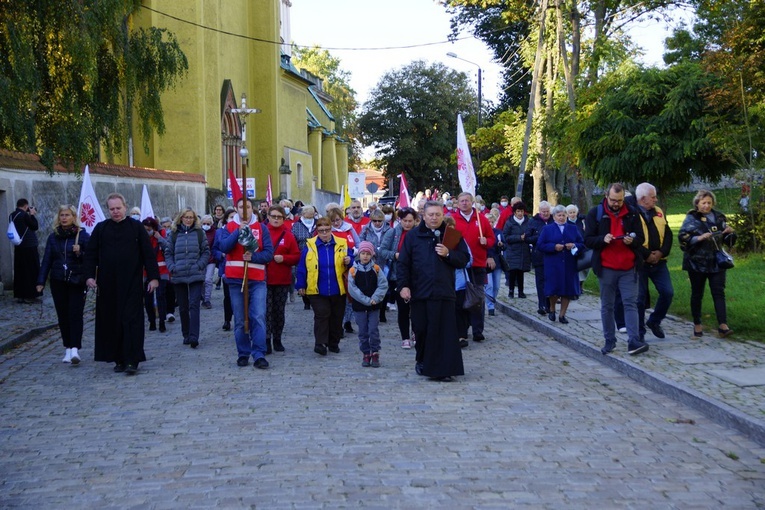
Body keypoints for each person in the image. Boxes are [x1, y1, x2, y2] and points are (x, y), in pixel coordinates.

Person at [83, 193, 160, 375]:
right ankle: (118, 358)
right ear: (108, 210)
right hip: (108, 285)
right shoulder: (101, 229)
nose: (116, 212)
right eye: (112, 209)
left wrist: (153, 277)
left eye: (118, 208)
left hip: (132, 283)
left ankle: (132, 360)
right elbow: (90, 255)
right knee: (112, 321)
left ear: (125, 207)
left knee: (131, 320)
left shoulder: (136, 228)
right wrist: (89, 276)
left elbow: (148, 254)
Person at [398, 201, 470, 381]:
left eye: (438, 214)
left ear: (442, 215)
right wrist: (403, 286)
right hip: (420, 291)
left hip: (444, 291)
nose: (434, 218)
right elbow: (404, 264)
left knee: (443, 332)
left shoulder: (451, 235)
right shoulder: (413, 236)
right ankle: (421, 359)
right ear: (423, 215)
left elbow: (464, 259)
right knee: (421, 329)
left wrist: (448, 254)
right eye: (431, 214)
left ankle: (443, 369)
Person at [584, 183, 649, 356]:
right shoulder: (595, 214)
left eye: (619, 201)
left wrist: (632, 241)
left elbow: (641, 238)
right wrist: (602, 239)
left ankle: (634, 341)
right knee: (607, 306)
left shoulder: (633, 213)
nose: (616, 203)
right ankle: (609, 340)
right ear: (606, 196)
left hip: (629, 267)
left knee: (630, 304)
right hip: (606, 268)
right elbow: (588, 240)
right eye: (613, 200)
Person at [219, 198, 274, 368]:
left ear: (253, 209)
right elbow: (224, 247)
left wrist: (254, 257)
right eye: (241, 207)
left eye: (248, 207)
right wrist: (238, 231)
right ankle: (243, 353)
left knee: (257, 316)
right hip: (235, 280)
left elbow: (269, 254)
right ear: (236, 209)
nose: (245, 210)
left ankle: (259, 354)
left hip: (257, 280)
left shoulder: (261, 228)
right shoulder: (227, 228)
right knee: (240, 320)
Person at [36, 205, 90, 364]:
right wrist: (40, 281)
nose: (64, 218)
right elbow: (47, 260)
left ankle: (75, 349)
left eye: (67, 215)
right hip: (58, 280)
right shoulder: (53, 237)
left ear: (74, 217)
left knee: (75, 314)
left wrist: (80, 252)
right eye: (62, 215)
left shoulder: (83, 235)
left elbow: (91, 259)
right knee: (63, 315)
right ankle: (67, 347)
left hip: (76, 280)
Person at [678, 189, 736, 338]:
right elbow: (683, 238)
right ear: (697, 203)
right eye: (703, 202)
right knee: (697, 294)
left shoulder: (719, 217)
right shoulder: (691, 218)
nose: (706, 206)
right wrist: (699, 238)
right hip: (696, 262)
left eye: (709, 203)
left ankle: (723, 325)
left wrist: (730, 233)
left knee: (718, 292)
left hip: (716, 261)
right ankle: (697, 325)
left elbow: (729, 241)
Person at [295, 217, 352, 356]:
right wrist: (301, 284)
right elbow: (302, 267)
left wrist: (349, 260)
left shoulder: (342, 244)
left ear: (331, 229)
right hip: (316, 288)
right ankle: (320, 343)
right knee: (322, 315)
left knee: (336, 317)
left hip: (338, 287)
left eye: (327, 230)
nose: (324, 233)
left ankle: (333, 343)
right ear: (317, 231)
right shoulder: (310, 246)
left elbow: (351, 264)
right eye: (321, 231)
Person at [451, 192, 495, 343]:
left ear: (472, 202)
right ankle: (461, 331)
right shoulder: (453, 220)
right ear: (457, 203)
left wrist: (486, 242)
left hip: (478, 264)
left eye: (467, 201)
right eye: (461, 201)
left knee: (477, 299)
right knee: (461, 299)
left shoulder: (481, 218)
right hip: (460, 267)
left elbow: (492, 239)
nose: (464, 203)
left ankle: (477, 331)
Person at [164, 207, 210, 349]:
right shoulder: (173, 234)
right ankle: (186, 334)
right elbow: (168, 253)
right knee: (183, 307)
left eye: (191, 217)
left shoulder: (199, 233)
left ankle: (194, 336)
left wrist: (200, 265)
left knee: (194, 305)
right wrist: (172, 267)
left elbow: (206, 252)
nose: (188, 220)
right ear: (181, 218)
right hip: (179, 274)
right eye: (186, 217)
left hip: (195, 273)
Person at [633, 183, 674, 341]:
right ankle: (639, 333)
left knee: (667, 292)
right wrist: (647, 254)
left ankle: (654, 321)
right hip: (641, 263)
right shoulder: (632, 214)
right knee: (640, 298)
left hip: (659, 261)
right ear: (643, 199)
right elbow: (633, 240)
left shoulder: (658, 212)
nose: (656, 199)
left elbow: (668, 234)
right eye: (653, 197)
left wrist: (661, 252)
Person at [537, 205, 584, 323]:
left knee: (567, 290)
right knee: (554, 289)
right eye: (559, 215)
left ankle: (562, 315)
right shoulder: (548, 229)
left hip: (569, 264)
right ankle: (552, 308)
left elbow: (581, 243)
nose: (562, 218)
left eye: (564, 215)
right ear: (554, 217)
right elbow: (540, 245)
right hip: (553, 264)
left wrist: (574, 245)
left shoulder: (572, 228)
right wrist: (553, 247)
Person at [379, 207, 418, 349]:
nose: (407, 224)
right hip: (398, 275)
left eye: (410, 221)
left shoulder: (418, 233)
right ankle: (405, 337)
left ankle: (416, 333)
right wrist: (395, 255)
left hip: (417, 276)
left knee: (417, 308)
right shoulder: (393, 232)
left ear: (415, 221)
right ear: (400, 220)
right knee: (403, 307)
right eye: (405, 221)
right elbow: (382, 251)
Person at [264, 205, 300, 353]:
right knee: (266, 311)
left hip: (282, 279)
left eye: (279, 217)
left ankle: (277, 338)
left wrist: (284, 258)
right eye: (274, 216)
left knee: (279, 311)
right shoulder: (262, 232)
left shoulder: (288, 235)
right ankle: (266, 340)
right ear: (268, 217)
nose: (276, 219)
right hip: (264, 279)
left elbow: (296, 256)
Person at [347, 241, 388, 367]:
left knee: (373, 330)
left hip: (374, 305)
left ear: (372, 255)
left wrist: (375, 298)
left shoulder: (376, 269)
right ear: (359, 254)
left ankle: (375, 352)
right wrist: (366, 300)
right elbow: (352, 289)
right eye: (363, 253)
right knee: (363, 331)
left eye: (368, 254)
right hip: (360, 306)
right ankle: (366, 353)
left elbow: (383, 285)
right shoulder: (353, 270)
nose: (365, 256)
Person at [328, 207, 360, 334]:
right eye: (333, 221)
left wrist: (353, 253)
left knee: (350, 296)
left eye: (337, 220)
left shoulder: (349, 228)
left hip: (350, 266)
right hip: (334, 268)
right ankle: (338, 324)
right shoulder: (328, 231)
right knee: (338, 297)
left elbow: (358, 244)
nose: (336, 223)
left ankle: (348, 321)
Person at [360, 209, 392, 322]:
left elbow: (392, 244)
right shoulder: (366, 229)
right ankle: (372, 310)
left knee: (384, 287)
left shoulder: (389, 229)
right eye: (375, 221)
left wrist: (385, 251)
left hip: (385, 262)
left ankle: (382, 312)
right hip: (370, 261)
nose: (377, 223)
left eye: (379, 221)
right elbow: (360, 242)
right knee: (371, 287)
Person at [526, 201, 554, 315]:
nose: (546, 214)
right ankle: (542, 304)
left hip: (552, 256)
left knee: (551, 281)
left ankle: (550, 305)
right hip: (539, 255)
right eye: (543, 212)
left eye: (547, 211)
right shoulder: (533, 221)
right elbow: (527, 237)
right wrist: (541, 237)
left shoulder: (553, 220)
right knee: (541, 281)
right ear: (539, 211)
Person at [9, 198, 40, 303]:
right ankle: (30, 295)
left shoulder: (12, 215)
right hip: (29, 246)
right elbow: (34, 226)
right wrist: (32, 214)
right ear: (26, 206)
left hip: (18, 246)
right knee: (31, 271)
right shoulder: (24, 215)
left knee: (20, 271)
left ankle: (20, 294)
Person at [141, 217, 169, 332]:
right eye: (145, 229)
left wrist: (160, 239)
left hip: (161, 270)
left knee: (160, 297)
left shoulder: (161, 235)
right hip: (146, 272)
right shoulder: (141, 238)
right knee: (148, 298)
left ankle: (162, 321)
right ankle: (151, 321)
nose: (148, 231)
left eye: (149, 229)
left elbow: (168, 247)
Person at [212, 208, 236, 331]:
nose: (233, 219)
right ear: (226, 219)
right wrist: (220, 255)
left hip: (239, 268)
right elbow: (214, 249)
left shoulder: (242, 229)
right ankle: (227, 319)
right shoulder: (220, 232)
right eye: (231, 217)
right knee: (227, 295)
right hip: (226, 267)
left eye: (235, 217)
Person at [502, 201, 531, 298]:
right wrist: (519, 238)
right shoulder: (509, 222)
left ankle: (521, 291)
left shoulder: (528, 222)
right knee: (512, 271)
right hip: (513, 250)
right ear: (514, 212)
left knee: (521, 272)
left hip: (524, 250)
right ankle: (511, 290)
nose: (520, 213)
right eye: (518, 211)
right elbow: (505, 237)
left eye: (522, 211)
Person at [292, 204, 318, 310]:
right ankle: (306, 301)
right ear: (303, 215)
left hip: (316, 256)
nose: (309, 218)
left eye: (311, 216)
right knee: (302, 277)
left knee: (313, 277)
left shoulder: (317, 224)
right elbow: (293, 240)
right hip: (302, 255)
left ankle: (313, 298)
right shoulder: (296, 225)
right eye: (307, 216)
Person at [484, 209, 504, 317]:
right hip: (486, 261)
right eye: (488, 222)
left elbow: (504, 246)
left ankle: (493, 299)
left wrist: (501, 245)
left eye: (492, 221)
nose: (490, 224)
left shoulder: (498, 232)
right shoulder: (482, 233)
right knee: (489, 285)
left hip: (497, 262)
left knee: (496, 286)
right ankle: (490, 306)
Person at [200, 214, 217, 309]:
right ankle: (202, 296)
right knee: (201, 280)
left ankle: (207, 299)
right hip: (201, 259)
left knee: (208, 280)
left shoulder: (215, 233)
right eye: (204, 223)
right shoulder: (199, 232)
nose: (206, 225)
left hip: (211, 260)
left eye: (208, 223)